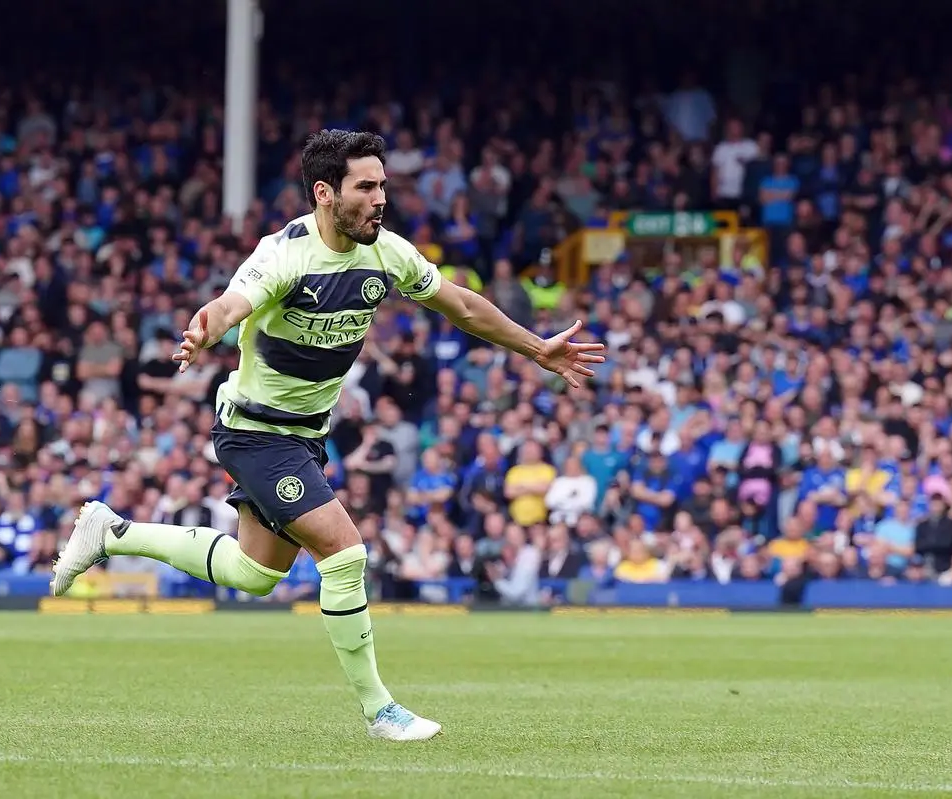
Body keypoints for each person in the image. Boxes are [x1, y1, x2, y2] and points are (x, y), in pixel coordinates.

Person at [50, 130, 605, 741]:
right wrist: (203, 330)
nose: (380, 199)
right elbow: (231, 304)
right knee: (345, 552)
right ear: (325, 193)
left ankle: (113, 531)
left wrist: (537, 349)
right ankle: (379, 710)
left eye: (383, 186)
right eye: (366, 187)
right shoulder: (283, 255)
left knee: (255, 573)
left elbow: (463, 308)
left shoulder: (385, 253)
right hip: (257, 434)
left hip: (307, 436)